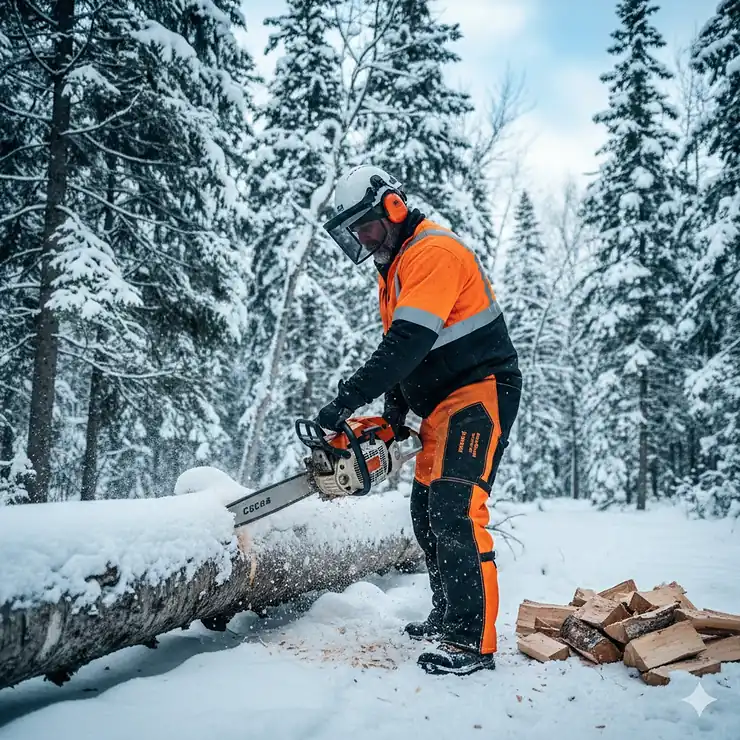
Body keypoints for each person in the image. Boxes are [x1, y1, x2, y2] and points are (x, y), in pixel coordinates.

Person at [317, 164, 522, 676]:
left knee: (456, 509)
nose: (363, 237)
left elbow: (410, 341)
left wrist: (346, 400)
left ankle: (472, 640)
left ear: (392, 207)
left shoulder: (433, 252)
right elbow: (408, 352)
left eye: (366, 224)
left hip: (479, 395)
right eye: (355, 231)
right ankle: (449, 616)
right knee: (426, 509)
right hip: (440, 404)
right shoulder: (396, 266)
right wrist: (391, 411)